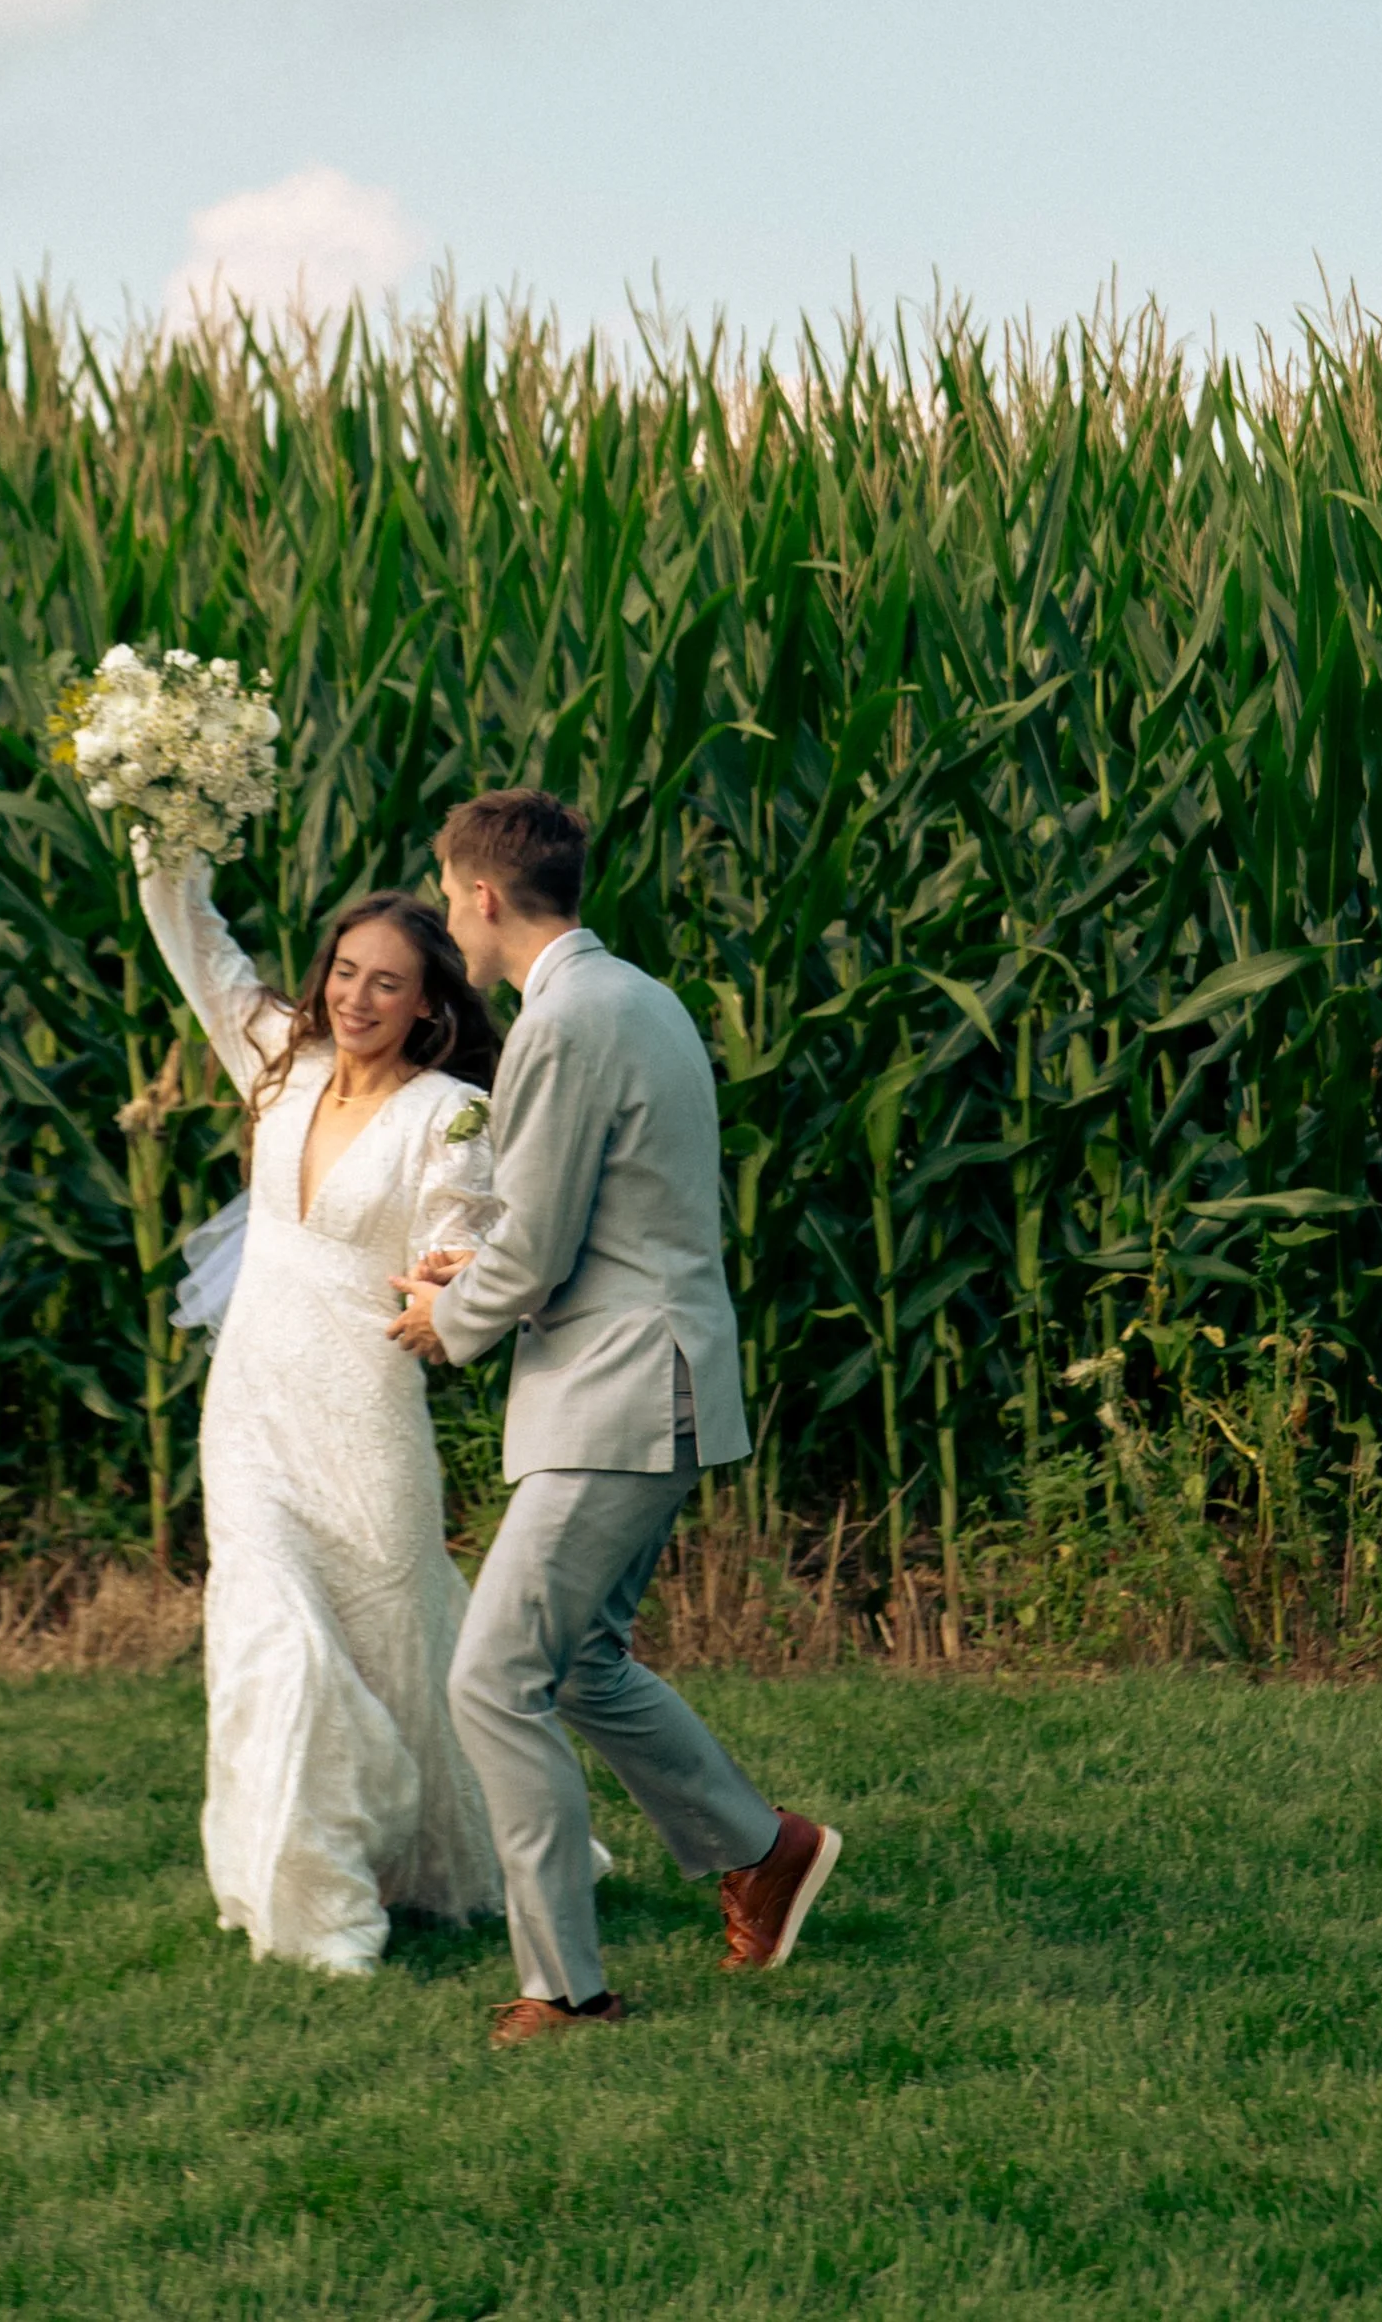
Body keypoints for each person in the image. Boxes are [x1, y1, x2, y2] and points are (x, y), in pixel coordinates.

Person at [388, 787, 843, 2045]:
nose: (448, 919)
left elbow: (536, 1246)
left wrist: (450, 1318)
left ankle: (566, 1990)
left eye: (449, 894)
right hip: (655, 1375)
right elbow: (604, 1216)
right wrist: (476, 1276)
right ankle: (763, 1852)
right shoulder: (633, 995)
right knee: (580, 1659)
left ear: (485, 896)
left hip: (618, 1391)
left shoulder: (565, 1019)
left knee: (494, 1677)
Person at [137, 850, 507, 1974]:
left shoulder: (452, 1114)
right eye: (345, 972)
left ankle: (428, 1865)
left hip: (364, 1407)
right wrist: (164, 828)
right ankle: (316, 1904)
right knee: (274, 1639)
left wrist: (446, 1282)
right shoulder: (281, 1060)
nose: (356, 997)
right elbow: (200, 953)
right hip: (251, 1408)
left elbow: (464, 1239)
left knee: (398, 1639)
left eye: (387, 982)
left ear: (427, 1003)